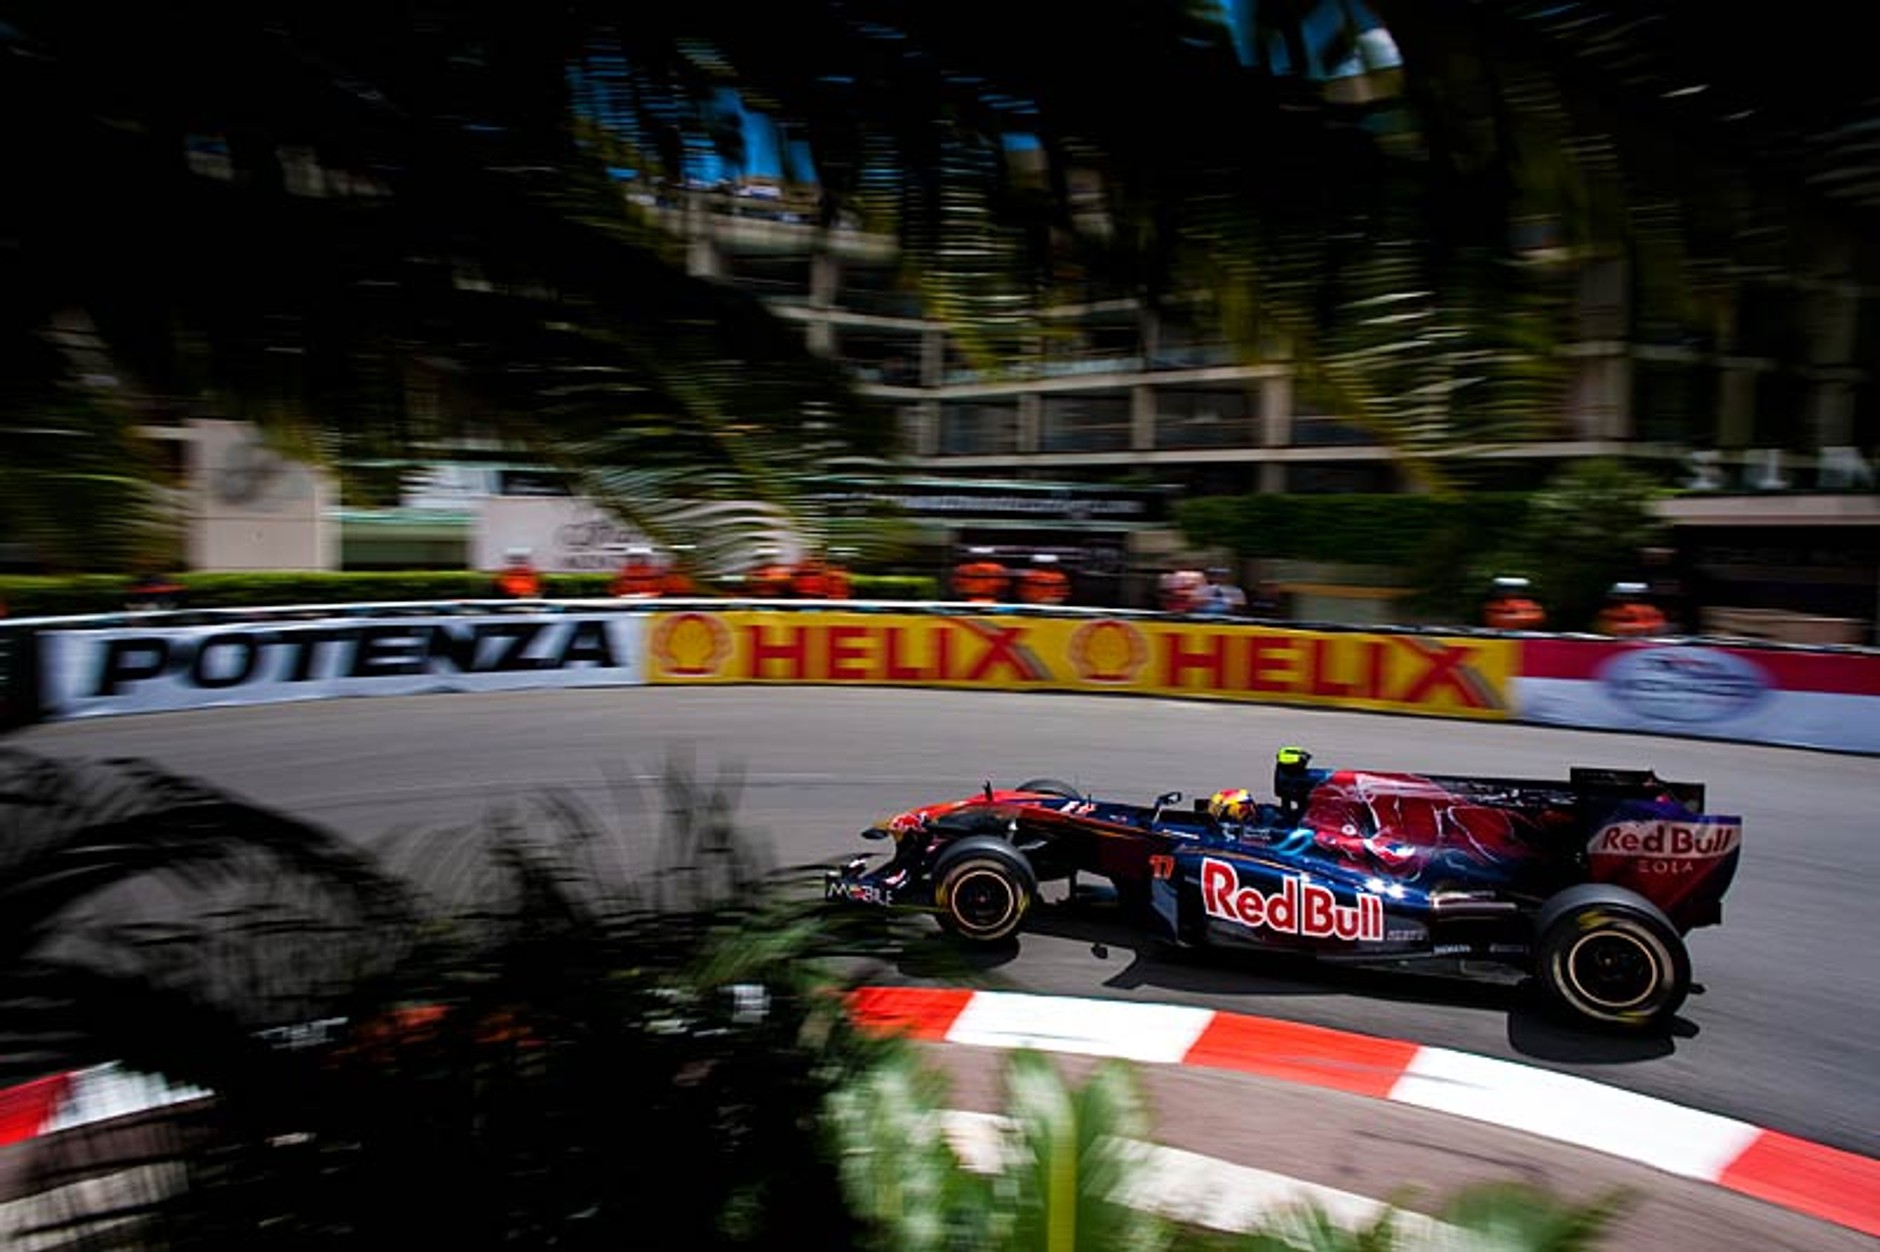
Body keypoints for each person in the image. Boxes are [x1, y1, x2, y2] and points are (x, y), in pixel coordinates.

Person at [1595, 581, 1668, 637]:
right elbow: (1603, 628)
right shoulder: (1608, 612)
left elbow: (1658, 628)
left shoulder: (1652, 611)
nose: (1628, 598)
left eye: (1632, 596)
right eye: (1623, 595)